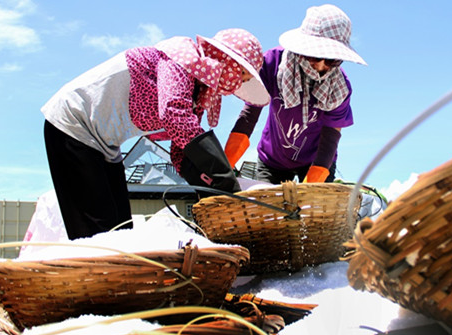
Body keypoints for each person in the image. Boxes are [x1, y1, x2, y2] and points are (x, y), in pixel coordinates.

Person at [41, 28, 270, 240]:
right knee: (98, 233)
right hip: (74, 124)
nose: (238, 83)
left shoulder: (196, 95)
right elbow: (173, 114)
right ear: (223, 58)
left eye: (244, 81)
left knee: (121, 232)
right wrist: (224, 179)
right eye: (241, 74)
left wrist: (211, 190)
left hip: (104, 143)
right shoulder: (178, 60)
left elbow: (182, 152)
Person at [224, 4, 366, 184]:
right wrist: (225, 166)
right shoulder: (272, 63)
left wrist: (310, 190)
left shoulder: (340, 88)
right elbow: (249, 116)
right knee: (267, 210)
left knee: (313, 210)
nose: (322, 66)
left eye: (331, 60)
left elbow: (330, 139)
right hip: (272, 159)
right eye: (316, 56)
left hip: (318, 161)